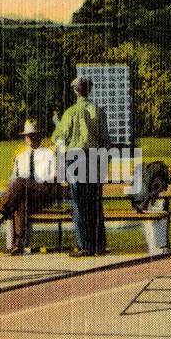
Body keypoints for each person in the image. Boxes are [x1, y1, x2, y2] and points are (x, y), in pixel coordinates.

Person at [52, 75, 110, 256]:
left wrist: (57, 122)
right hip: (93, 157)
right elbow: (105, 141)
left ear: (75, 90)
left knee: (79, 203)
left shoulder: (69, 113)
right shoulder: (98, 111)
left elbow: (59, 139)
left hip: (74, 159)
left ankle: (84, 245)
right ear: (89, 89)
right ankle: (99, 245)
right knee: (94, 202)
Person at [0, 119, 63, 255]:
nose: (30, 138)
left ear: (40, 136)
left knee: (20, 183)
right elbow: (12, 181)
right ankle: (18, 245)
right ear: (25, 138)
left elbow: (54, 177)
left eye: (33, 135)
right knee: (20, 202)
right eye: (27, 136)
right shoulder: (20, 156)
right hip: (28, 197)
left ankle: (0, 210)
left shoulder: (49, 154)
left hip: (44, 192)